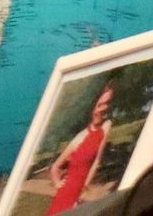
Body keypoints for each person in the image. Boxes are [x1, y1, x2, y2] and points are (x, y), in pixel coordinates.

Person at [45, 82, 114, 214]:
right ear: (92, 107)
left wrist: (83, 191)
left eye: (107, 104)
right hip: (65, 193)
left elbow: (97, 161)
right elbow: (55, 167)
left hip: (79, 193)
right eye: (99, 105)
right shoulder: (79, 138)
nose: (103, 109)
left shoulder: (106, 126)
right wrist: (58, 183)